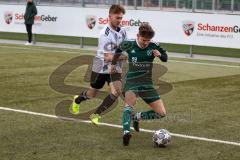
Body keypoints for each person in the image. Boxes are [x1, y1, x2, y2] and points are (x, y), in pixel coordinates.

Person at [111, 23, 168, 146]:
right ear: (138, 36)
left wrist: (160, 55)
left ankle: (136, 117)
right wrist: (113, 65)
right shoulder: (129, 43)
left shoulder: (154, 45)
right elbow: (117, 50)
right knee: (128, 106)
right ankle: (126, 132)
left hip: (147, 84)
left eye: (148, 40)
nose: (146, 43)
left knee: (161, 113)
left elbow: (165, 58)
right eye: (143, 40)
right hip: (132, 82)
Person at [70, 4, 127, 125]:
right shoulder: (104, 34)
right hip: (100, 65)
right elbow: (107, 57)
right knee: (92, 94)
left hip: (115, 66)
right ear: (110, 17)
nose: (119, 20)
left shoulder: (123, 31)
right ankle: (78, 99)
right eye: (117, 18)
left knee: (116, 92)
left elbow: (127, 47)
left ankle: (96, 115)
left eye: (121, 18)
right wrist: (125, 57)